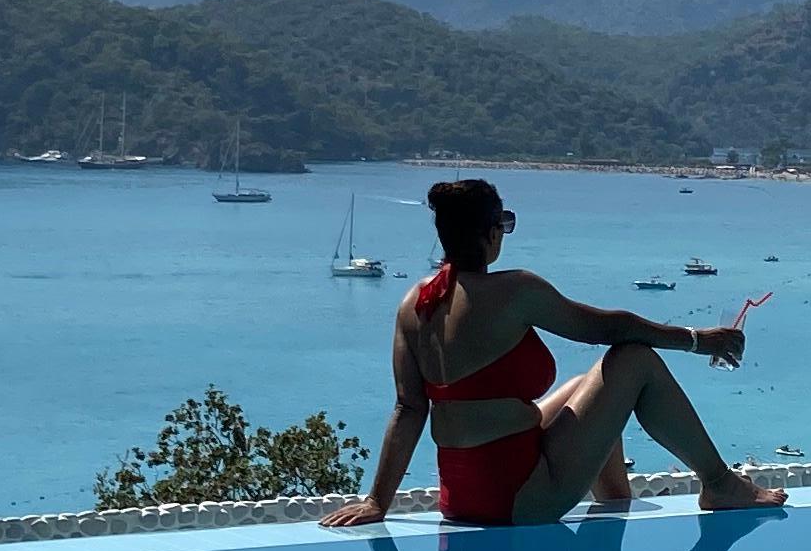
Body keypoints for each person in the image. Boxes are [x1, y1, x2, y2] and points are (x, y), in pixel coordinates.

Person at [323, 178, 787, 529]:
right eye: (504, 223)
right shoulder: (515, 291)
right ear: (491, 234)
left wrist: (377, 502)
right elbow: (610, 328)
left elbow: (408, 409)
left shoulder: (414, 304)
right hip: (519, 497)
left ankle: (613, 504)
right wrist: (695, 340)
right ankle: (720, 483)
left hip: (461, 497)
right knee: (633, 361)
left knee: (581, 388)